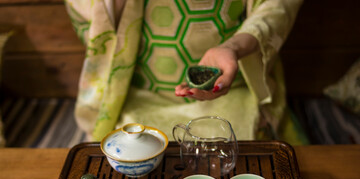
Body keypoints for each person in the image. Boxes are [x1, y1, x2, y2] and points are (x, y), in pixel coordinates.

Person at [64, 0, 305, 144]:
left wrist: (232, 47)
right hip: (136, 95)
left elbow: (276, 6)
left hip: (234, 91)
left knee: (242, 158)